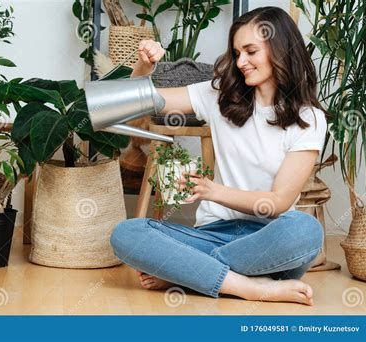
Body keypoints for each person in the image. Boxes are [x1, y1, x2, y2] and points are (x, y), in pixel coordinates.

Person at [110, 6, 330, 306]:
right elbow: (128, 104)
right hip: (211, 234)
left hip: (268, 241)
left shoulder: (309, 118)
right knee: (128, 233)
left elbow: (278, 203)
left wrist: (213, 191)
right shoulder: (218, 95)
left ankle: (188, 273)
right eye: (237, 53)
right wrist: (143, 67)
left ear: (279, 49)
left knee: (306, 231)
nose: (241, 62)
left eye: (250, 51)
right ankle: (248, 286)